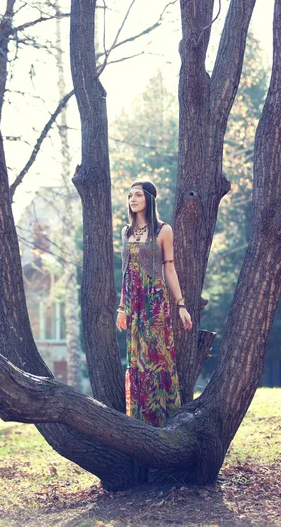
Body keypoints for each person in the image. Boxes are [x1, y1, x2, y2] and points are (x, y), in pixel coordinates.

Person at [116, 179, 192, 427]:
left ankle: (164, 420)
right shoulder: (125, 232)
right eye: (130, 196)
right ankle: (140, 420)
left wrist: (180, 305)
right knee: (137, 361)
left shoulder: (163, 231)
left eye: (137, 195)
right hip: (133, 306)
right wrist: (121, 308)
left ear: (149, 198)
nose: (133, 200)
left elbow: (169, 269)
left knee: (158, 358)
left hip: (155, 304)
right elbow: (126, 272)